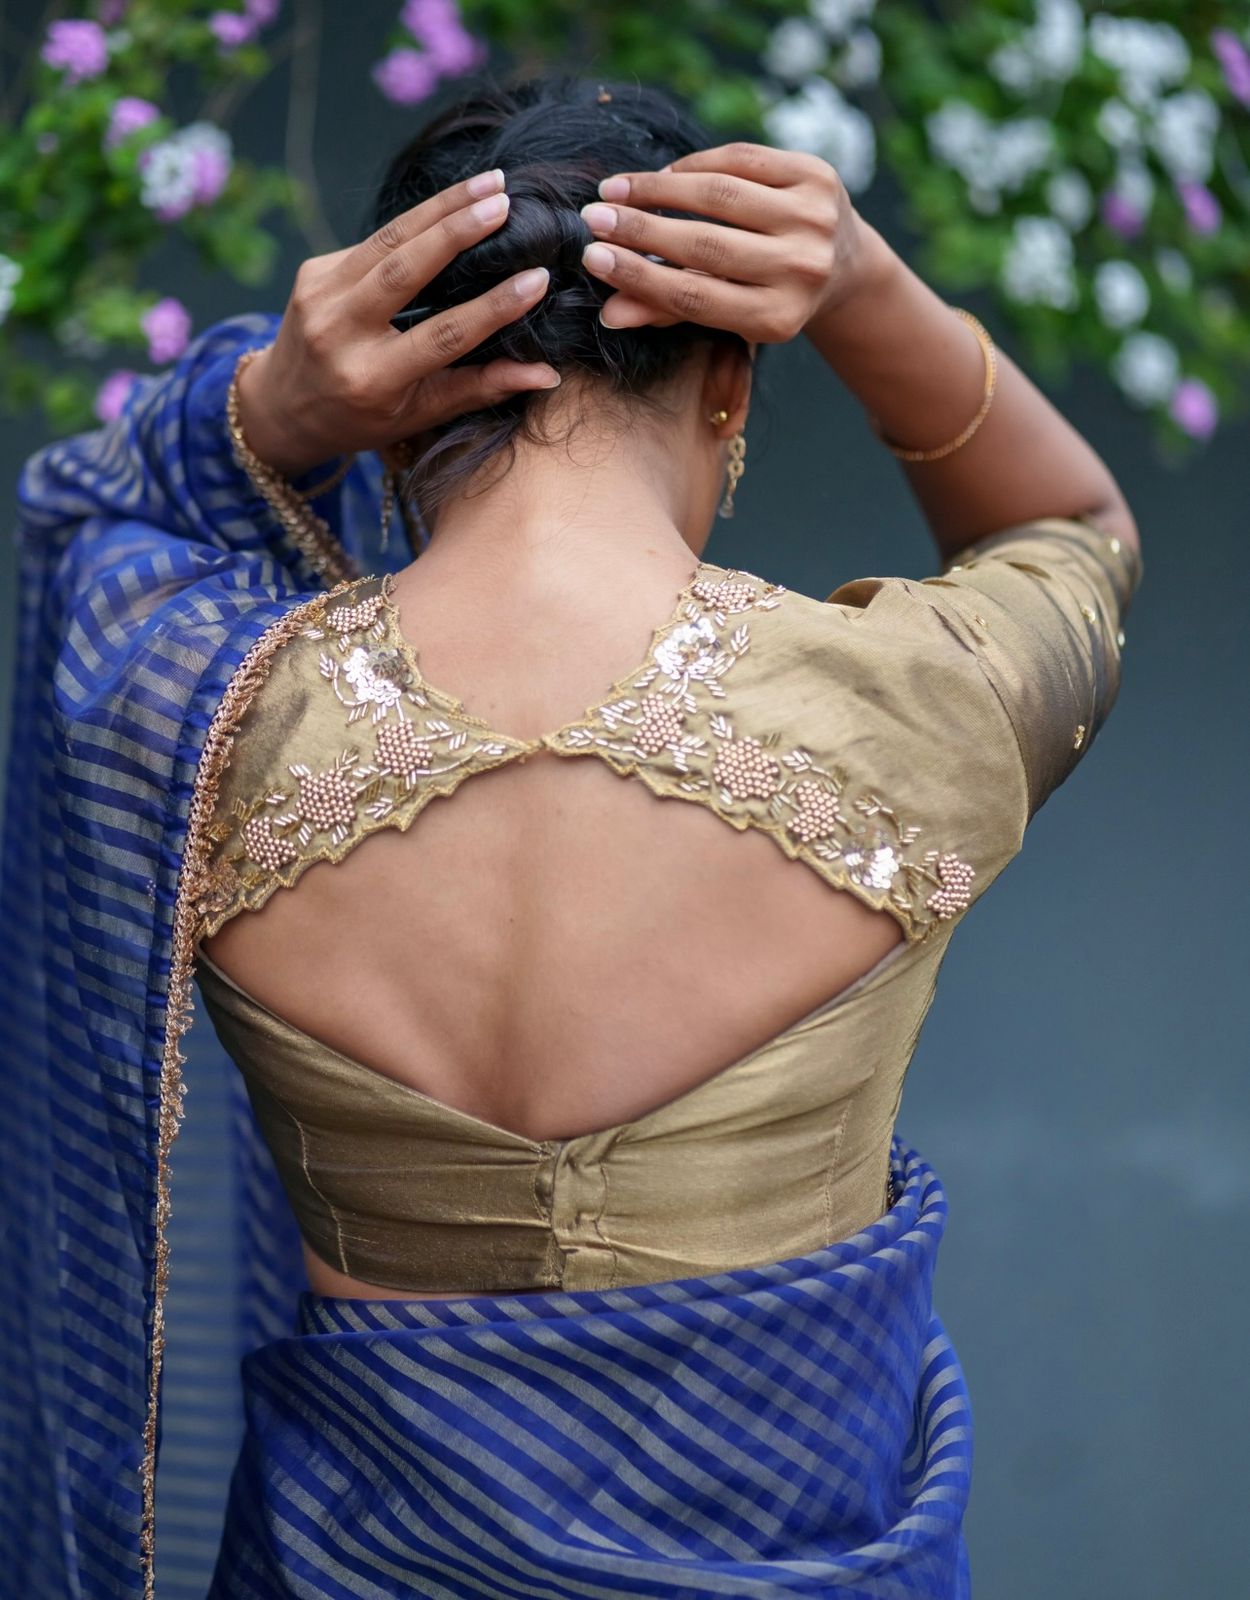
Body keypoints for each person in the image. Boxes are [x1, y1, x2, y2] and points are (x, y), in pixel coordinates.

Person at [0, 73, 1142, 1600]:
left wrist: (268, 404)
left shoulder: (182, 709)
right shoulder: (911, 706)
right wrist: (865, 287)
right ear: (726, 386)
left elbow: (80, 514)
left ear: (395, 401)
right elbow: (1072, 537)